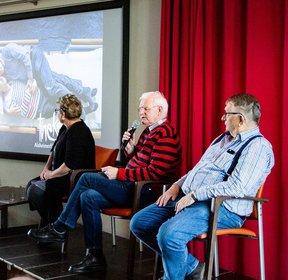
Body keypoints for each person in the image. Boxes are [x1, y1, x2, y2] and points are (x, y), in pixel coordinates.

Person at [28, 91, 182, 273]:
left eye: (146, 109)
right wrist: (131, 149)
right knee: (88, 197)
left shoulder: (166, 134)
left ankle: (60, 227)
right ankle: (94, 257)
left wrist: (119, 173)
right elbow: (140, 162)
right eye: (140, 108)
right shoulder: (150, 131)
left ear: (160, 110)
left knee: (86, 178)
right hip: (131, 186)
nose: (141, 113)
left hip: (144, 192)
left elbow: (155, 173)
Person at [130, 93, 274, 280]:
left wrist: (196, 194)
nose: (222, 118)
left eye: (226, 114)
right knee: (140, 223)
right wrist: (176, 185)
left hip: (223, 208)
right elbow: (196, 171)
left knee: (169, 235)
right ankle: (193, 266)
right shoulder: (221, 140)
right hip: (190, 199)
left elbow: (238, 187)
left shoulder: (258, 147)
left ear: (240, 119)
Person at [26, 94, 95, 227]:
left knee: (36, 190)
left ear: (63, 114)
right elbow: (53, 151)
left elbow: (70, 165)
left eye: (57, 111)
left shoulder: (79, 131)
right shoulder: (65, 128)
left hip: (73, 179)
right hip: (60, 175)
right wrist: (46, 169)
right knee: (31, 184)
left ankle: (56, 224)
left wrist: (51, 174)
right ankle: (51, 222)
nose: (57, 114)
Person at [0, 43, 98, 114]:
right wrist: (6, 111)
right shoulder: (6, 76)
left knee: (51, 88)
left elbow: (25, 55)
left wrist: (30, 78)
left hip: (35, 57)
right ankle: (85, 91)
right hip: (35, 76)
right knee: (56, 79)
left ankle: (77, 107)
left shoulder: (7, 51)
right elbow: (3, 94)